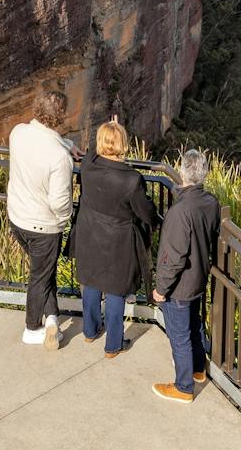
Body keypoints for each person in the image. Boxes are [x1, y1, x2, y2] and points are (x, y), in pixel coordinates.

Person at [71, 117, 159, 358]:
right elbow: (145, 211)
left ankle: (90, 331)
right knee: (115, 290)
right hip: (117, 241)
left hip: (89, 234)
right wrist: (156, 219)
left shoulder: (88, 164)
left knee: (91, 281)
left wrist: (110, 128)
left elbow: (92, 153)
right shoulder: (131, 179)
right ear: (123, 144)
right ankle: (113, 345)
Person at [151, 148, 221, 403]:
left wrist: (161, 289)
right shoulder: (210, 202)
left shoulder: (180, 211)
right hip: (198, 278)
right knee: (194, 325)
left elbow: (174, 257)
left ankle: (183, 387)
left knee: (179, 337)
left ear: (181, 173)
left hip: (180, 285)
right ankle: (198, 369)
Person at [7, 90, 75, 349]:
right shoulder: (59, 158)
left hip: (17, 219)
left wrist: (67, 144)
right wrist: (65, 218)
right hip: (44, 227)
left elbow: (43, 140)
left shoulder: (18, 133)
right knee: (40, 276)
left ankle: (52, 318)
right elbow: (59, 203)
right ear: (61, 116)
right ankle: (32, 328)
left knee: (44, 271)